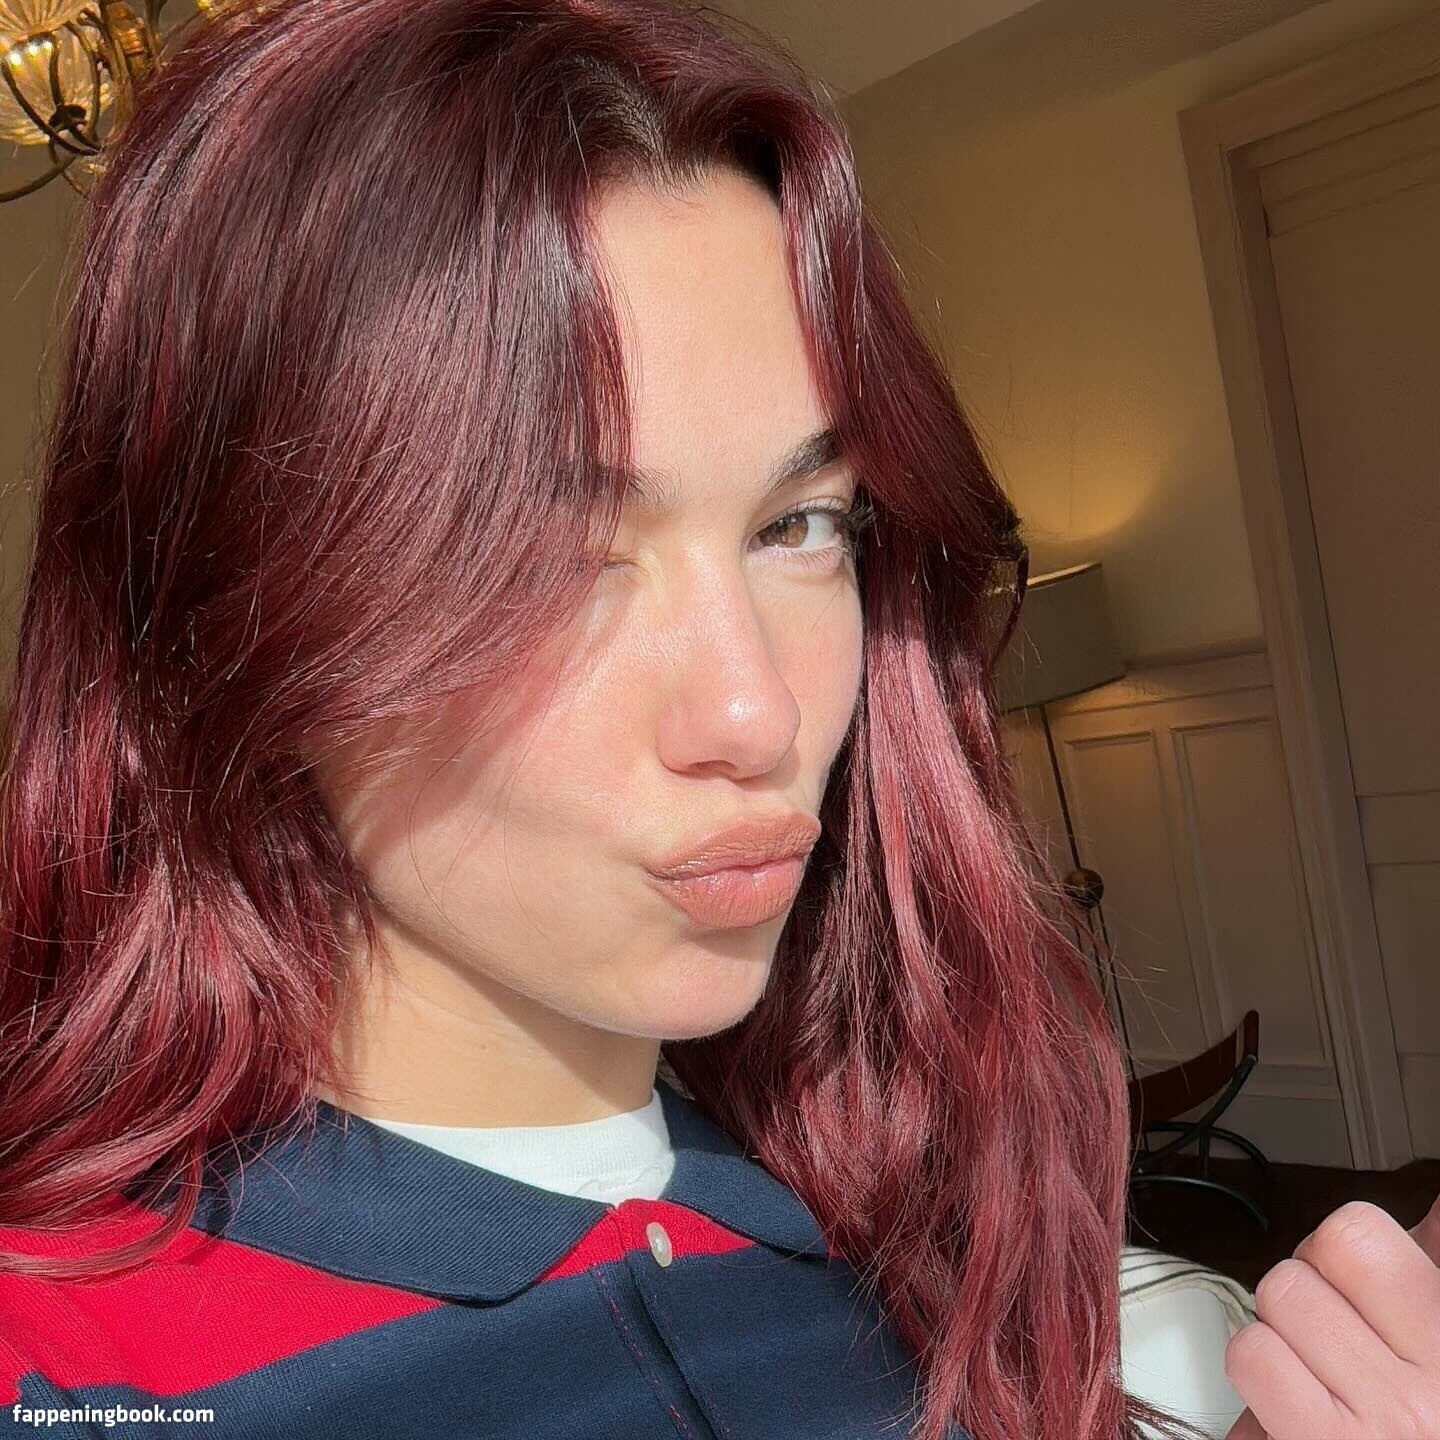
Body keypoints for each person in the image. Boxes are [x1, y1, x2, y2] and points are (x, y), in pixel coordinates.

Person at [2, 0, 1427, 1437]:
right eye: (547, 558)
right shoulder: (58, 1368)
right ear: (236, 613)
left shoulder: (910, 1215)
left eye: (799, 524)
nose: (758, 712)